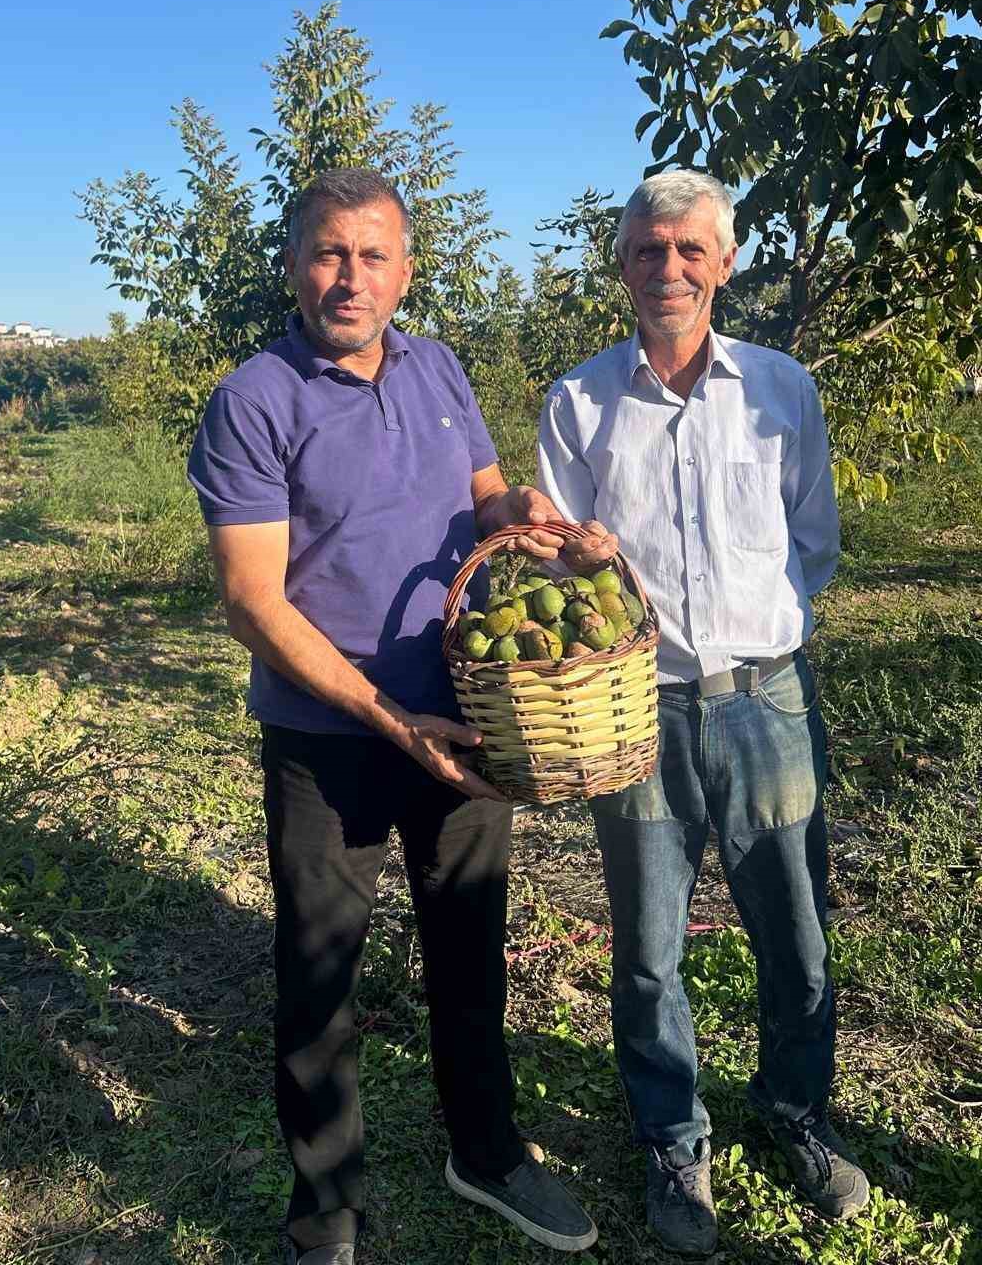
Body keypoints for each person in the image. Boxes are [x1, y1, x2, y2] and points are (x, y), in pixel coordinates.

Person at [188, 168, 601, 1264]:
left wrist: (527, 517)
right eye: (328, 253)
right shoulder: (254, 400)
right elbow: (251, 599)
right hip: (333, 737)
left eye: (373, 256)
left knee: (469, 946)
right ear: (290, 264)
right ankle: (325, 1210)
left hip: (465, 717)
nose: (350, 277)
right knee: (321, 969)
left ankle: (489, 1153)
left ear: (407, 271)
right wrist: (383, 713)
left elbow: (484, 497)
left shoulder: (438, 367)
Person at [537, 170, 869, 1257]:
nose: (668, 268)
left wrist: (756, 629)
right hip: (634, 711)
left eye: (690, 249)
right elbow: (561, 579)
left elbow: (809, 544)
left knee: (796, 929)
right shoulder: (579, 402)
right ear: (621, 266)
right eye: (646, 251)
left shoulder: (783, 389)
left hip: (765, 697)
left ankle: (796, 1112)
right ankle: (675, 1138)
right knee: (646, 947)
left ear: (726, 262)